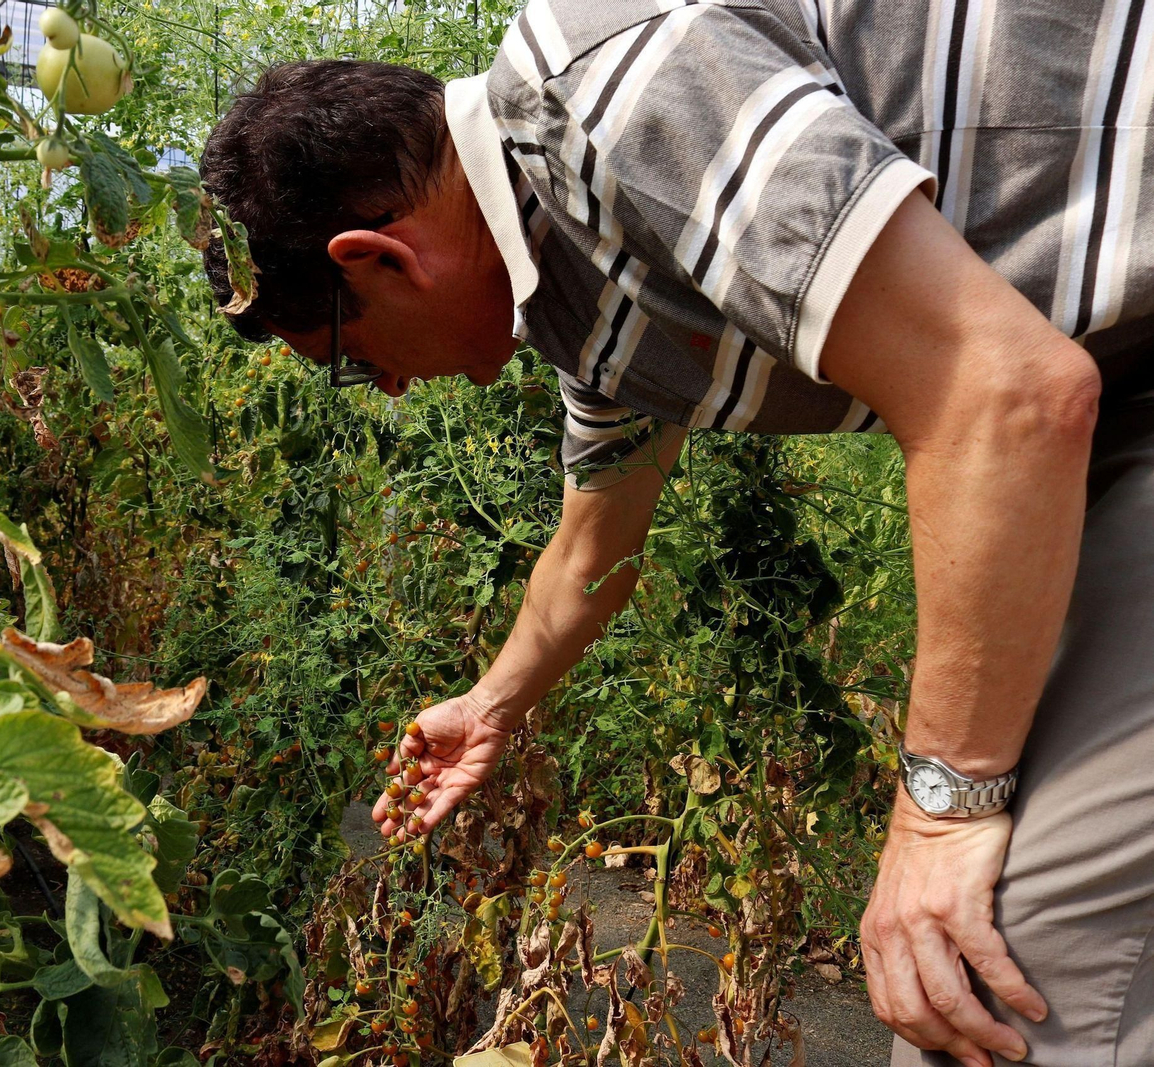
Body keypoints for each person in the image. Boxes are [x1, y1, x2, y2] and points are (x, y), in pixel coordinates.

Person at [197, 1, 1154, 1063]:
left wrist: (939, 813)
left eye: (342, 354)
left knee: (983, 987)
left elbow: (1003, 393)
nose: (377, 388)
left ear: (377, 256)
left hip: (1097, 400)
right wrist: (489, 703)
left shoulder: (607, 92)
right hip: (1122, 398)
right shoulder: (578, 298)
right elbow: (592, 551)